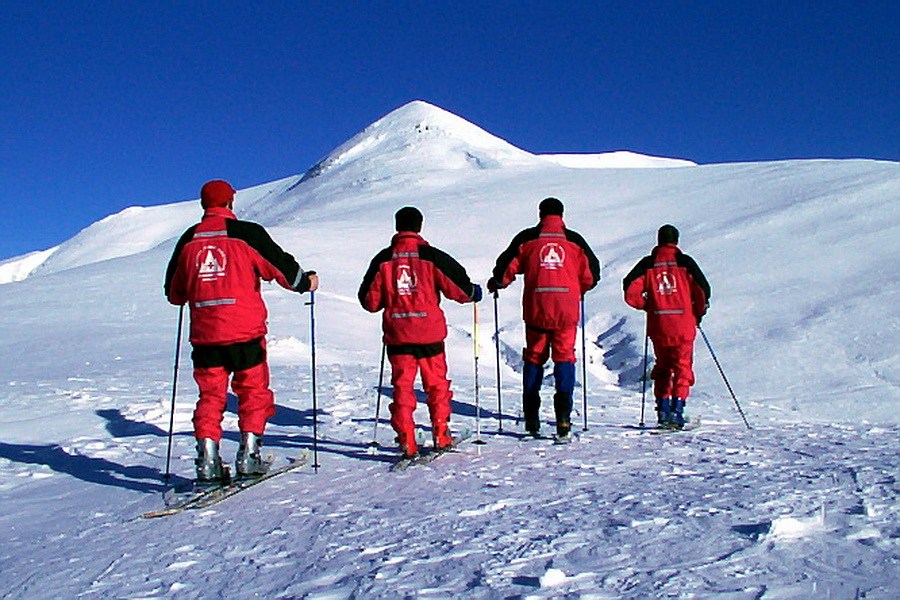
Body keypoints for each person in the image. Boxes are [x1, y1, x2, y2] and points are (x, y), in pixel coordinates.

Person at [164, 179, 319, 483]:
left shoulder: (188, 240)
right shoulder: (246, 233)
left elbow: (174, 293)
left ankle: (207, 460)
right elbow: (284, 269)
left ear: (203, 204)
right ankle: (249, 456)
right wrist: (306, 282)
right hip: (245, 333)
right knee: (252, 393)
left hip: (206, 337)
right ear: (231, 202)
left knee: (210, 396)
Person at [358, 207, 482, 458]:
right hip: (430, 335)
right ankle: (441, 434)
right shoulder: (432, 256)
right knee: (436, 385)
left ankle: (406, 439)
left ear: (397, 226)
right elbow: (458, 288)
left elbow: (368, 302)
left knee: (403, 387)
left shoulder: (383, 259)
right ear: (420, 226)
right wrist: (473, 292)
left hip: (398, 335)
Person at [488, 197, 601, 438]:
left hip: (537, 308)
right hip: (566, 310)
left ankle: (531, 418)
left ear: (540, 214)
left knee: (535, 357)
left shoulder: (527, 239)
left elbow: (507, 267)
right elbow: (592, 274)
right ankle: (563, 418)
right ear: (562, 215)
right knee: (564, 358)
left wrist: (498, 282)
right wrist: (576, 289)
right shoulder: (574, 241)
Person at [622, 224, 711, 429]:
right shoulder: (685, 263)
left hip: (659, 325)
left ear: (659, 240)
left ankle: (662, 412)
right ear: (676, 241)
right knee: (682, 369)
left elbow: (630, 290)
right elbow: (702, 291)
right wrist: (698, 312)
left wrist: (648, 306)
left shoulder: (648, 264)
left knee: (662, 367)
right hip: (683, 324)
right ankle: (677, 412)